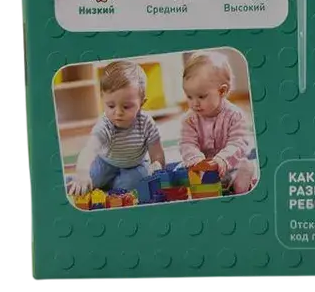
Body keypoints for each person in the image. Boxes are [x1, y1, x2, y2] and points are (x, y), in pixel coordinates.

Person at [70, 60, 165, 196]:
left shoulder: (146, 123)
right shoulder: (105, 124)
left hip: (135, 165)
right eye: (111, 106)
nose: (118, 112)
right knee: (89, 181)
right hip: (105, 162)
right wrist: (82, 173)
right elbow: (89, 149)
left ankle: (112, 186)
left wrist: (157, 165)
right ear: (102, 99)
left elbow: (157, 153)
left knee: (133, 184)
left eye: (126, 106)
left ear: (142, 104)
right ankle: (75, 182)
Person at [179, 52, 256, 194]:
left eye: (201, 96)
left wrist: (223, 159)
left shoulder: (235, 116)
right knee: (180, 171)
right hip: (203, 171)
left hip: (231, 166)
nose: (194, 103)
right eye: (189, 97)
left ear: (222, 91)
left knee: (246, 166)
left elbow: (239, 143)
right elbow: (187, 143)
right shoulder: (189, 120)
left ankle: (239, 187)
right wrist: (195, 158)